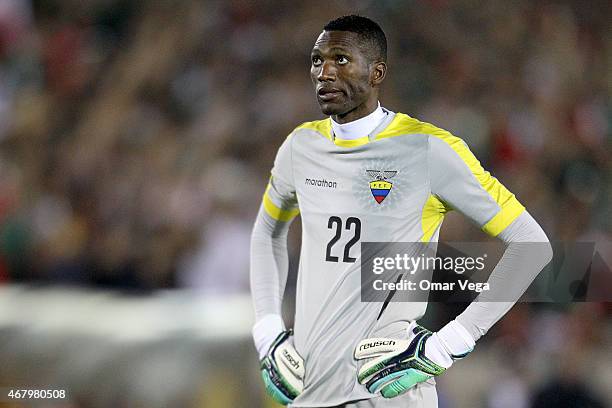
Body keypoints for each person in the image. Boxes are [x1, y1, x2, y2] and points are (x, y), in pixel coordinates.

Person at [250, 15, 552, 408]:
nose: (324, 72)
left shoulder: (429, 150)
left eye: (340, 59)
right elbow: (267, 232)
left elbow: (532, 245)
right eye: (316, 59)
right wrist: (268, 330)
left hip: (386, 394)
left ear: (377, 72)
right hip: (309, 391)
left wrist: (447, 345)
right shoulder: (300, 147)